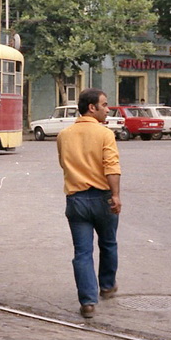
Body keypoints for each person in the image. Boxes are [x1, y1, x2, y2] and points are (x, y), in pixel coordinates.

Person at [56, 87, 122, 319]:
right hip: (102, 197)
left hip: (76, 200)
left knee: (82, 252)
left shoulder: (64, 135)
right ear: (92, 107)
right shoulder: (106, 134)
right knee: (108, 243)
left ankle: (87, 302)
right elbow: (111, 167)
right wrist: (115, 196)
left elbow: (64, 165)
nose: (108, 109)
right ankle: (106, 285)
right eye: (104, 105)